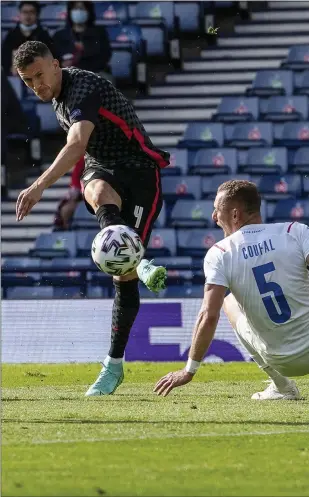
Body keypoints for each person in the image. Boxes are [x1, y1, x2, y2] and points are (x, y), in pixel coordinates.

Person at [14, 40, 169, 397]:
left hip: (141, 172)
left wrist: (38, 186)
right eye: (27, 80)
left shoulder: (81, 87)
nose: (36, 85)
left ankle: (115, 357)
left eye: (39, 75)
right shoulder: (56, 95)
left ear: (56, 64)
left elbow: (77, 144)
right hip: (104, 168)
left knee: (123, 275)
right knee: (97, 192)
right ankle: (113, 367)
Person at [155, 180, 309, 400]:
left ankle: (282, 387)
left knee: (228, 303)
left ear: (235, 215)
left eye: (217, 210)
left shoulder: (220, 253)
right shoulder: (295, 231)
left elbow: (209, 316)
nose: (214, 217)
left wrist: (188, 370)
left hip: (281, 361)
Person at [53, 1, 112, 80]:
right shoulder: (59, 35)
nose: (78, 11)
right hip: (67, 75)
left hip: (94, 75)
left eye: (82, 8)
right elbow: (55, 57)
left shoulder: (99, 33)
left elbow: (104, 57)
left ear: (88, 12)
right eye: (76, 8)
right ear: (70, 11)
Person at [2, 1, 54, 76]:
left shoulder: (44, 35)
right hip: (15, 78)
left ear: (37, 15)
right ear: (19, 14)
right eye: (24, 12)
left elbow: (50, 58)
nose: (28, 16)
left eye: (31, 12)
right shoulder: (11, 35)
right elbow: (4, 59)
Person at [53, 156, 84, 230]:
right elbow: (75, 181)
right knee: (66, 206)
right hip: (80, 190)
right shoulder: (83, 158)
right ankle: (64, 225)